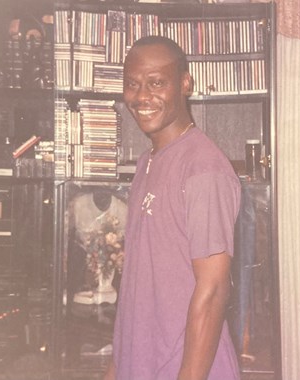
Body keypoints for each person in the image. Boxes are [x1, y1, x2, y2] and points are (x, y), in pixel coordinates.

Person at [105, 35, 241, 380]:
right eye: (132, 84)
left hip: (188, 368)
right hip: (142, 361)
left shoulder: (203, 168)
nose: (141, 96)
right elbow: (139, 281)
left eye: (156, 83)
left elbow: (213, 291)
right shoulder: (146, 163)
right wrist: (116, 366)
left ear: (184, 83)